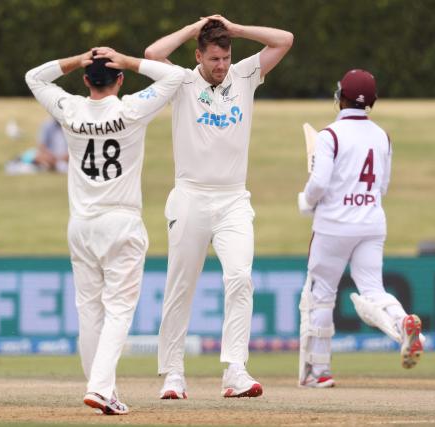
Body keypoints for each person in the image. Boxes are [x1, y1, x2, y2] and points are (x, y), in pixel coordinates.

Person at [25, 47, 183, 414]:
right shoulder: (131, 108)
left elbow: (34, 76)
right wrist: (128, 60)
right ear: (120, 80)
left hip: (81, 224)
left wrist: (76, 59)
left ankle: (101, 388)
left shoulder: (71, 109)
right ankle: (100, 387)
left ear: (85, 80)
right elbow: (174, 77)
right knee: (118, 311)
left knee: (89, 311)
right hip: (121, 221)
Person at [144, 15, 293, 399]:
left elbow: (284, 40)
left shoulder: (244, 76)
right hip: (191, 196)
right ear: (198, 55)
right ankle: (173, 374)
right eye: (213, 59)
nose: (221, 66)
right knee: (181, 286)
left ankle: (235, 370)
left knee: (240, 278)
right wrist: (194, 28)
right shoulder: (181, 81)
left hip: (233, 200)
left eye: (225, 58)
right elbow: (152, 53)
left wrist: (238, 30)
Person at [297, 69, 423, 388]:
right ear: (373, 101)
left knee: (322, 295)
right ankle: (401, 321)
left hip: (334, 226)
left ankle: (319, 371)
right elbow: (383, 186)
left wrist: (305, 201)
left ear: (340, 97)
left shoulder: (330, 136)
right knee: (373, 289)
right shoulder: (383, 136)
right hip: (371, 222)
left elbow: (319, 183)